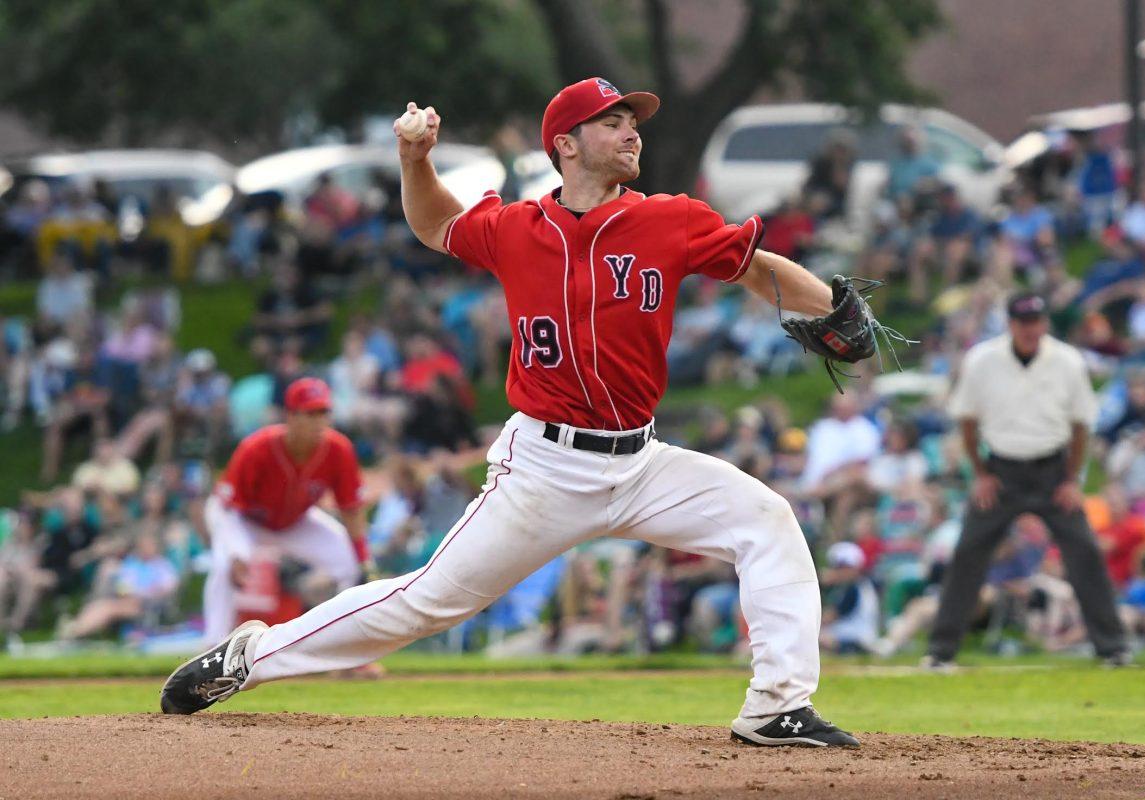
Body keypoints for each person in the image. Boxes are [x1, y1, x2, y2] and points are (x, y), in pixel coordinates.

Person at [162, 77, 860, 748]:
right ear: (566, 144)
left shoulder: (667, 219)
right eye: (611, 122)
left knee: (766, 520)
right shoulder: (517, 228)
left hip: (643, 462)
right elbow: (435, 224)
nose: (630, 133)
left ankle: (778, 707)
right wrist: (415, 159)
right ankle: (249, 658)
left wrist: (826, 306)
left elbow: (755, 267)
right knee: (427, 602)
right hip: (545, 470)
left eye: (632, 122)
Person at [924, 291, 1129, 668]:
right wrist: (981, 474)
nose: (1030, 329)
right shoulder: (983, 359)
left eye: (1036, 321)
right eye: (1023, 322)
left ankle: (1113, 647)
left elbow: (1082, 424)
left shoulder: (1067, 361)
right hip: (1001, 471)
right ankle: (940, 652)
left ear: (1045, 322)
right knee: (968, 552)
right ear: (1010, 324)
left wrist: (1071, 480)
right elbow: (967, 420)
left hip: (1054, 470)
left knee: (1084, 551)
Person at [198, 377, 370, 645]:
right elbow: (229, 509)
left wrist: (363, 558)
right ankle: (212, 650)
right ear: (290, 415)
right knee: (223, 567)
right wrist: (235, 552)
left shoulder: (339, 449)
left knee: (349, 564)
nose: (318, 421)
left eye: (323, 412)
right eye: (310, 413)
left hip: (294, 521)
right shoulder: (256, 448)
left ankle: (347, 649)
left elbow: (350, 508)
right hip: (242, 518)